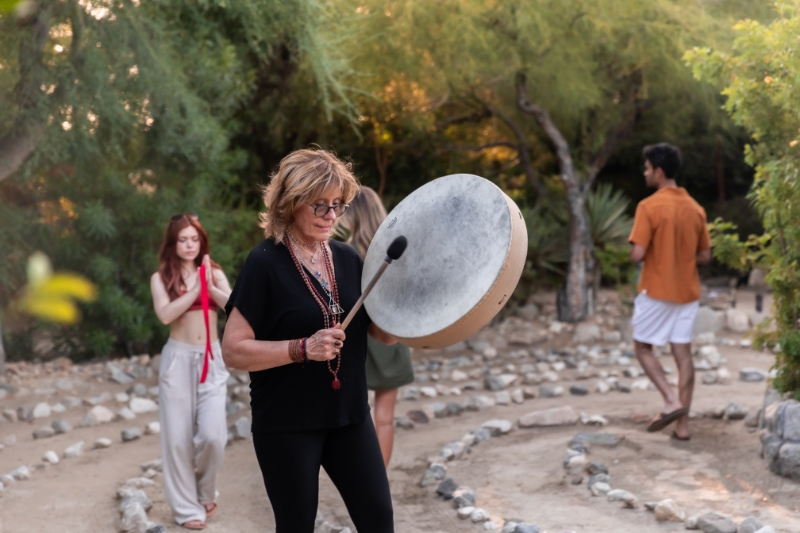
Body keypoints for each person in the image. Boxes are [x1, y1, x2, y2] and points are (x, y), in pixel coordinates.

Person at [221, 149, 396, 532]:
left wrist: (410, 304)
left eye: (339, 206)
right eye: (321, 206)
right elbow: (233, 350)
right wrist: (303, 347)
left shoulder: (349, 258)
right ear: (291, 203)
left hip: (349, 416)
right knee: (297, 525)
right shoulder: (264, 262)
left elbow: (382, 334)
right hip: (287, 422)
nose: (332, 216)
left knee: (379, 519)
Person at [150, 214, 233, 530]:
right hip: (178, 360)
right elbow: (164, 314)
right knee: (177, 439)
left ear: (201, 242)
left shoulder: (213, 272)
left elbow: (235, 306)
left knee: (213, 435)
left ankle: (206, 490)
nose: (188, 244)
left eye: (194, 239)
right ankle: (188, 510)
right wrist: (194, 290)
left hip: (211, 359)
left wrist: (210, 286)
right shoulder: (161, 278)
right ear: (172, 243)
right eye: (182, 239)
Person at [628, 143, 711, 441]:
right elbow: (704, 256)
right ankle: (683, 427)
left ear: (659, 172)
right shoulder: (696, 209)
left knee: (642, 347)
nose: (645, 173)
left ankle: (669, 400)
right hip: (687, 292)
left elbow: (638, 254)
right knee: (683, 356)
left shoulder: (648, 207)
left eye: (648, 168)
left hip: (656, 290)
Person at [337, 186, 414, 467]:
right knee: (384, 418)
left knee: (355, 415)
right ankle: (379, 482)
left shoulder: (345, 253)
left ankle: (361, 480)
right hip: (392, 333)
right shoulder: (397, 249)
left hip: (359, 339)